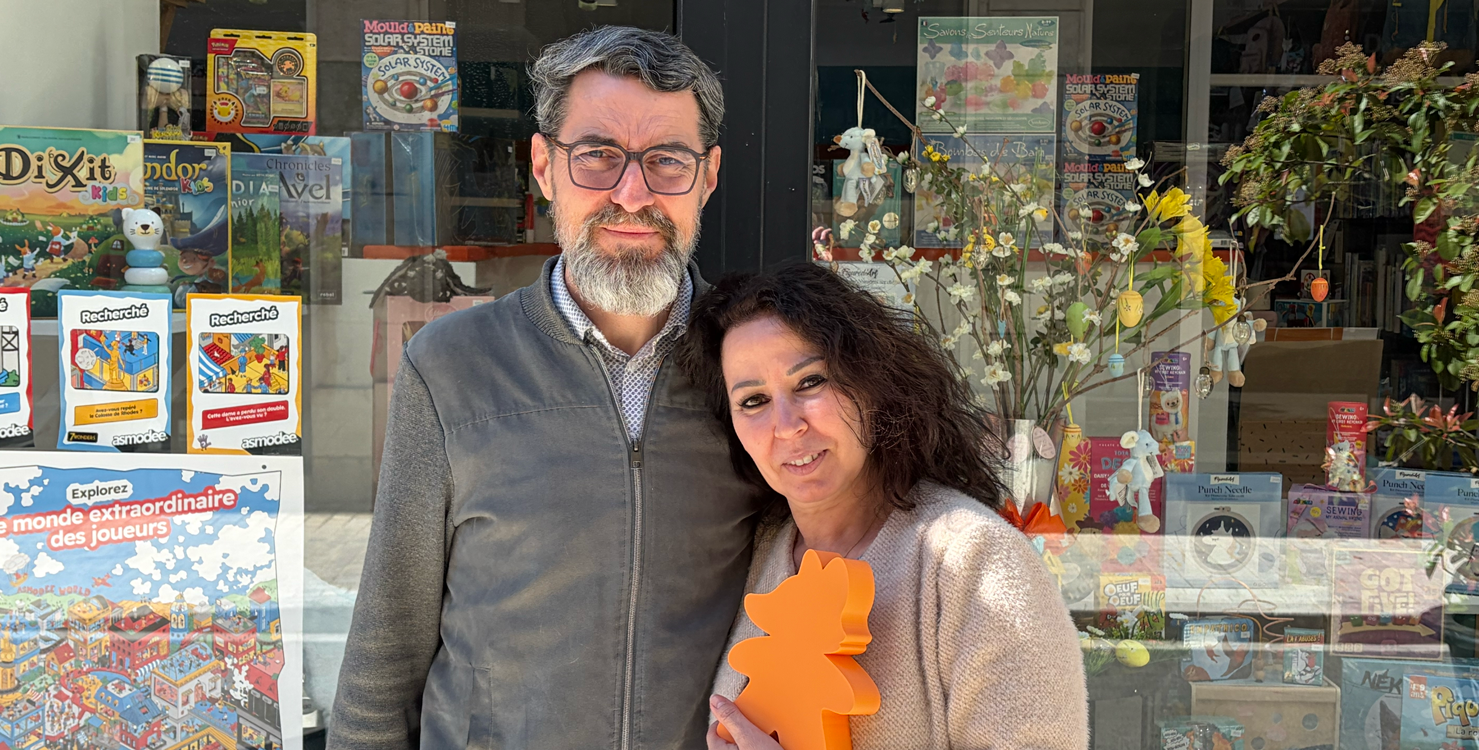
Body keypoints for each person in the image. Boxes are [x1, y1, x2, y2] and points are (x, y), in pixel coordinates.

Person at [327, 27, 768, 750]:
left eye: (667, 161)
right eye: (597, 156)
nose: (632, 194)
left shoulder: (757, 375)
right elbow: (387, 651)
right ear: (543, 165)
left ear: (708, 176)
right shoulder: (451, 367)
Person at [677, 263, 1088, 750]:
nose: (786, 425)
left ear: (870, 383)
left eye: (810, 382)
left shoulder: (973, 561)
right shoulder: (757, 550)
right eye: (753, 401)